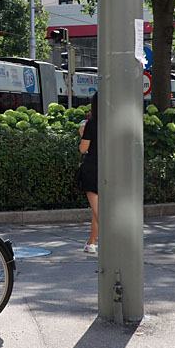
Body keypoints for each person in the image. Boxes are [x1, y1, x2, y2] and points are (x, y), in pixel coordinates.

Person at [78, 92, 99, 254]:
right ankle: (91, 242)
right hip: (110, 168)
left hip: (92, 168)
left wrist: (82, 134)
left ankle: (113, 241)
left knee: (98, 210)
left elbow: (83, 148)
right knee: (96, 210)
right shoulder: (115, 122)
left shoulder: (92, 124)